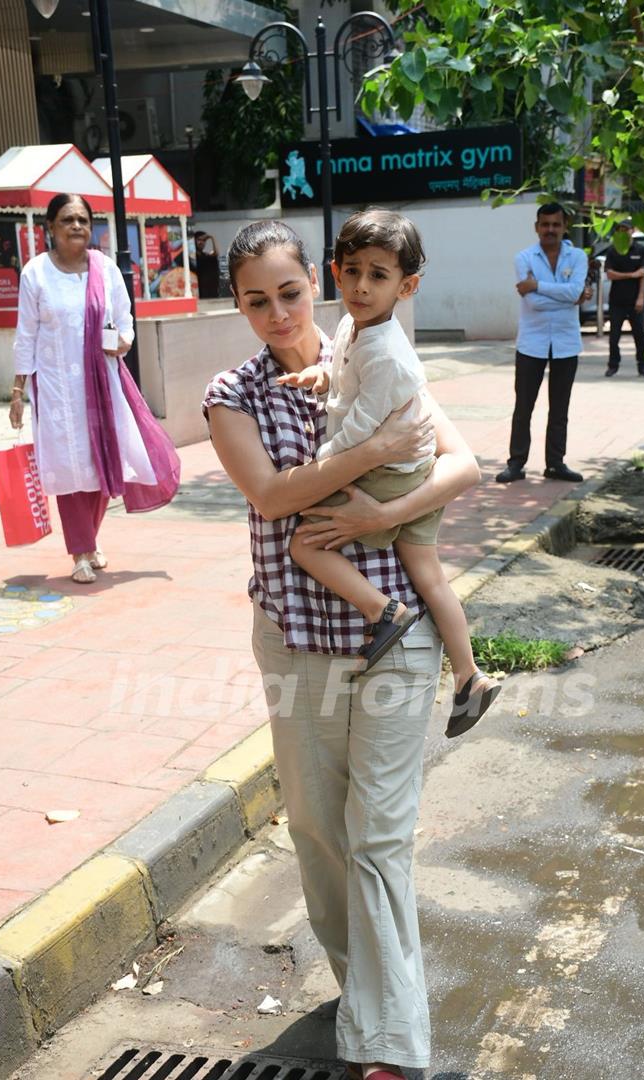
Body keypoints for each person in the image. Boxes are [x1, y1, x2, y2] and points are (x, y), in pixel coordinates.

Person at [203, 220, 480, 1079]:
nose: (278, 312)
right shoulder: (231, 394)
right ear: (241, 305)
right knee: (320, 832)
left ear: (313, 285)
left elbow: (462, 464)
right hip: (296, 643)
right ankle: (369, 993)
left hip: (392, 631)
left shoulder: (371, 346)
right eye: (257, 300)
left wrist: (380, 512)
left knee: (377, 837)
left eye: (289, 293)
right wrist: (374, 453)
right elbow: (273, 494)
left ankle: (390, 1043)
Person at [280, 209, 500, 734]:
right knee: (429, 575)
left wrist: (320, 464)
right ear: (335, 271)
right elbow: (344, 374)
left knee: (305, 545)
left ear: (408, 286)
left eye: (378, 275)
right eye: (352, 270)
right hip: (415, 470)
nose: (361, 285)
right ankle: (470, 677)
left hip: (391, 474)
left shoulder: (388, 353)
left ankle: (385, 613)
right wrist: (321, 373)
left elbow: (361, 431)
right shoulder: (355, 327)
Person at [10, 193, 180, 583]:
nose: (77, 227)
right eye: (67, 220)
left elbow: (125, 322)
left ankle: (91, 539)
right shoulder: (35, 274)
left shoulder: (105, 270)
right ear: (50, 227)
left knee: (102, 462)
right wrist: (18, 391)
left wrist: (122, 340)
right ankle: (80, 552)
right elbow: (26, 335)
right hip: (55, 389)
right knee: (68, 468)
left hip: (102, 384)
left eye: (83, 220)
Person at [496, 202, 588, 484]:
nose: (550, 230)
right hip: (531, 343)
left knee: (560, 408)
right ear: (537, 227)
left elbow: (574, 291)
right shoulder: (524, 258)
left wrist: (537, 285)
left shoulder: (578, 256)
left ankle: (555, 464)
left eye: (556, 225)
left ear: (564, 227)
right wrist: (567, 296)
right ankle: (516, 464)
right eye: (545, 224)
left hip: (566, 342)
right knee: (524, 406)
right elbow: (535, 305)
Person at [604, 220, 644, 378]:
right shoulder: (612, 251)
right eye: (620, 229)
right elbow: (610, 274)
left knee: (640, 336)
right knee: (613, 337)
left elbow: (643, 274)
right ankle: (613, 365)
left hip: (636, 301)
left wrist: (641, 297)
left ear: (633, 230)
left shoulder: (641, 249)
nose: (623, 232)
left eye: (626, 229)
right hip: (617, 301)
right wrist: (631, 275)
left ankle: (643, 366)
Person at [193, 230, 220, 298]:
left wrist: (212, 238)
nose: (201, 242)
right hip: (198, 292)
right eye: (199, 240)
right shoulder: (191, 256)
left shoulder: (205, 255)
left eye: (204, 240)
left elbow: (216, 253)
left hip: (210, 291)